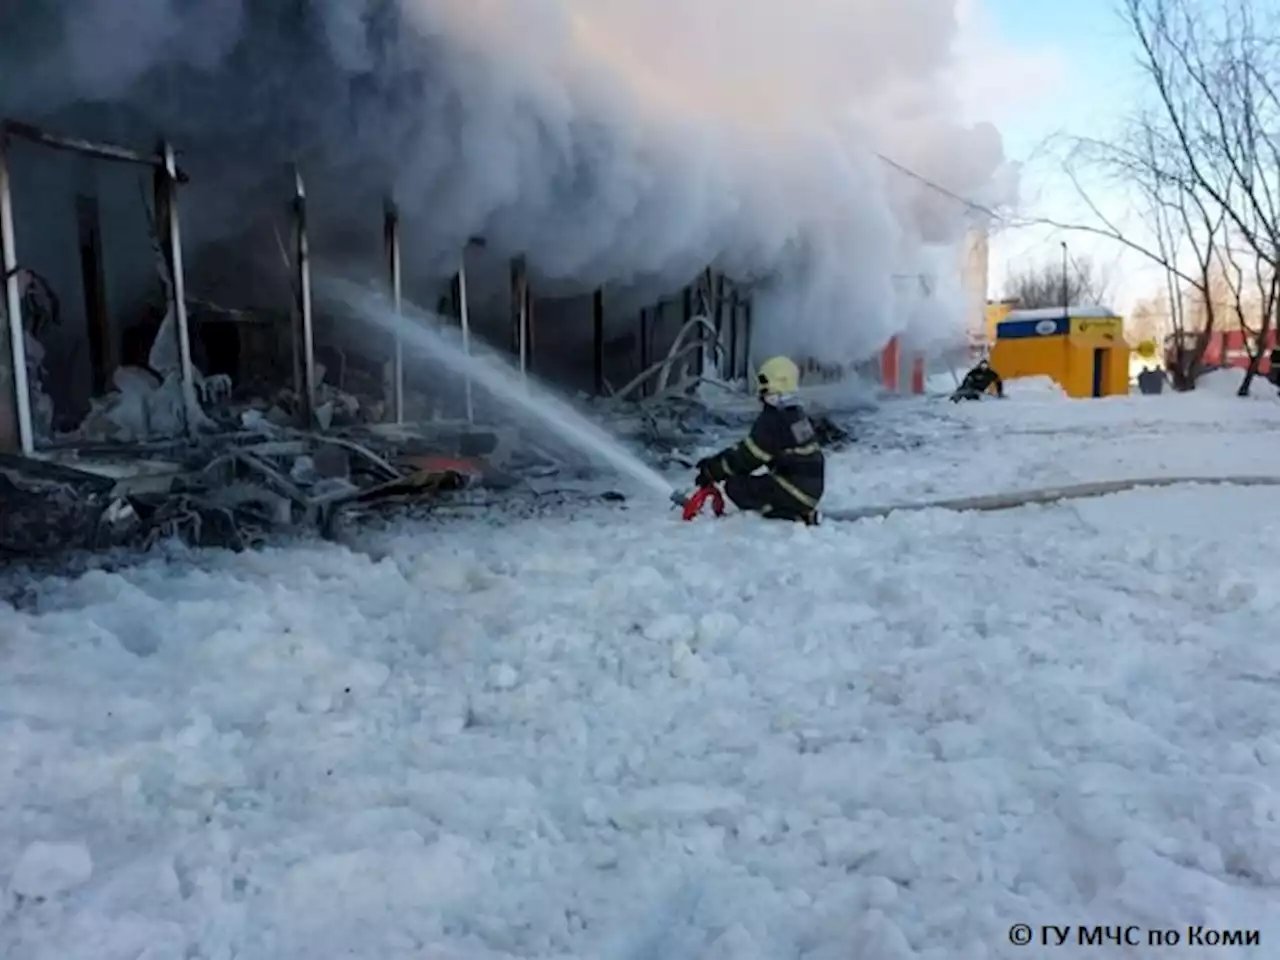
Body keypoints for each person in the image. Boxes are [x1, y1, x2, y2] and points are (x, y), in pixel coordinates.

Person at [694, 355, 825, 523]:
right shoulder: (795, 414)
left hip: (794, 490)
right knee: (759, 482)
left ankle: (788, 515)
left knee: (735, 487)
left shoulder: (775, 419)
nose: (761, 396)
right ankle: (796, 509)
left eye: (765, 390)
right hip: (808, 491)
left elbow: (748, 456)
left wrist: (713, 470)